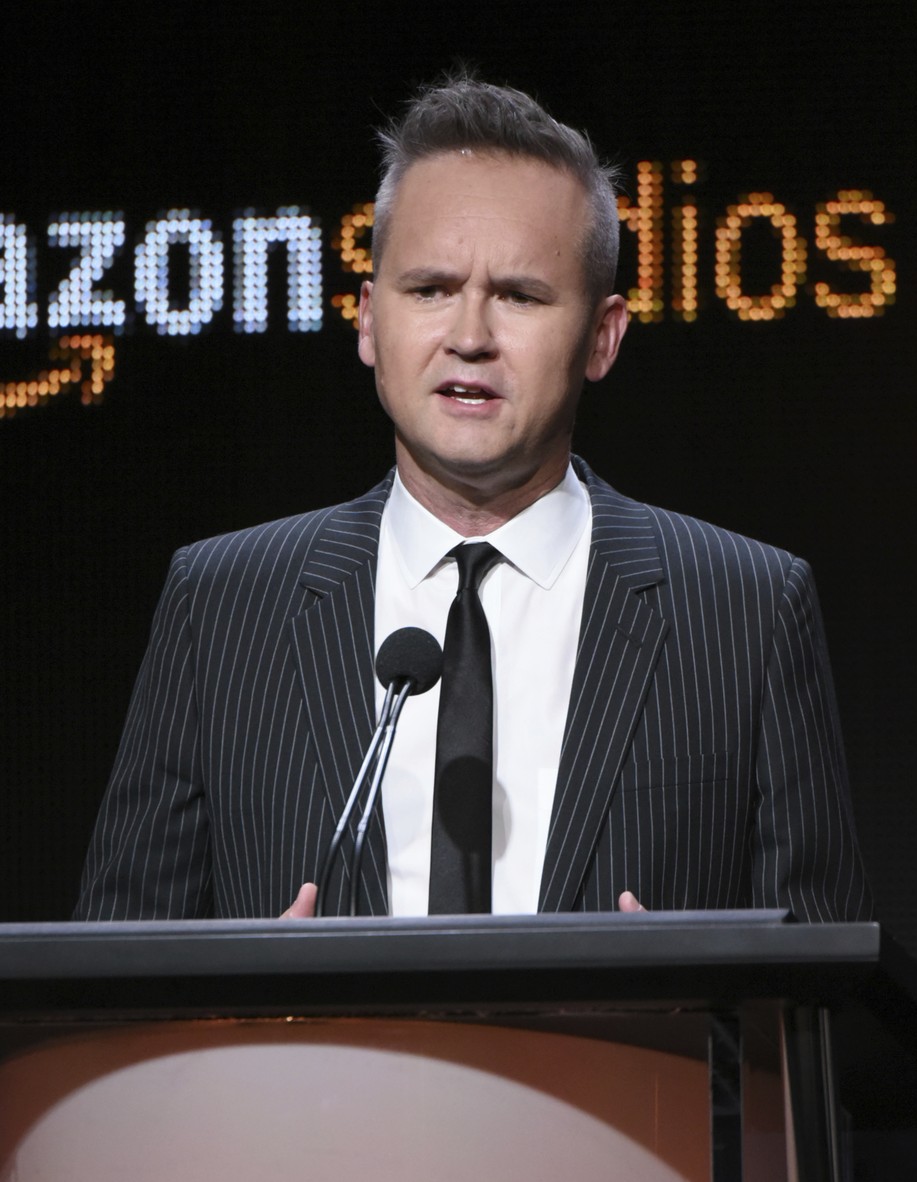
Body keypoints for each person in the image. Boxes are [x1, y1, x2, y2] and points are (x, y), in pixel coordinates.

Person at [75, 74, 871, 923]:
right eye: (429, 290)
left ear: (602, 338)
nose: (468, 337)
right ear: (368, 320)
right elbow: (114, 983)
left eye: (519, 297)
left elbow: (822, 1001)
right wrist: (245, 1023)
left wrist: (697, 1019)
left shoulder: (745, 609)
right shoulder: (224, 605)